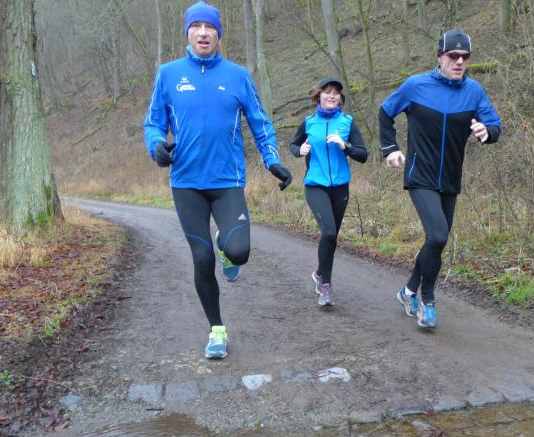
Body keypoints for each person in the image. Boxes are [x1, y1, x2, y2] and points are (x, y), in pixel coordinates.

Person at [143, 1, 293, 359]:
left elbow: (260, 122)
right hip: (186, 183)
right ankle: (217, 330)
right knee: (201, 259)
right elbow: (153, 123)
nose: (203, 33)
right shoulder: (168, 74)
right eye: (196, 27)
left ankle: (225, 247)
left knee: (239, 251)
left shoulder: (237, 75)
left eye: (209, 27)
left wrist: (272, 160)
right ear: (187, 33)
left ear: (218, 34)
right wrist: (156, 146)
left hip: (227, 181)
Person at [379, 28, 501, 329]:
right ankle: (428, 300)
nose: (459, 62)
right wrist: (390, 148)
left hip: (450, 178)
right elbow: (385, 112)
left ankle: (408, 291)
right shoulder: (415, 86)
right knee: (437, 236)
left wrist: (487, 132)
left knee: (436, 242)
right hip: (419, 174)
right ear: (440, 57)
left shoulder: (474, 91)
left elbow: (494, 125)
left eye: (465, 57)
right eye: (453, 56)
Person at [289, 77, 368, 306]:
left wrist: (345, 146)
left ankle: (318, 273)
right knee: (329, 232)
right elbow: (293, 145)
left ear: (340, 98)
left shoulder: (347, 123)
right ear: (319, 96)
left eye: (336, 93)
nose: (332, 96)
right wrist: (300, 150)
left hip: (340, 188)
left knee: (331, 238)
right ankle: (326, 286)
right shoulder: (309, 122)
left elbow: (363, 155)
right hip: (315, 185)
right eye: (327, 92)